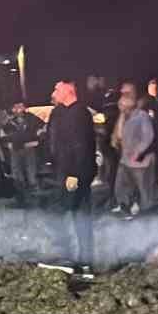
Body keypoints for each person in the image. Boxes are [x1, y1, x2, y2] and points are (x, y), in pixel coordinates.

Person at [48, 79, 96, 275]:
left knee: (62, 212)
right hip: (63, 171)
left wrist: (74, 173)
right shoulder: (59, 112)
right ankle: (84, 263)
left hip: (74, 174)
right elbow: (53, 140)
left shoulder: (80, 113)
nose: (53, 92)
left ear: (68, 90)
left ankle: (68, 259)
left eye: (57, 88)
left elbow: (81, 145)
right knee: (78, 214)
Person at [114, 94, 156, 216]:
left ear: (129, 105)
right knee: (120, 185)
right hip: (126, 159)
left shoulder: (142, 117)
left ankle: (146, 213)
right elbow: (120, 136)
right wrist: (121, 116)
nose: (119, 107)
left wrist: (138, 151)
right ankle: (125, 207)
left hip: (141, 161)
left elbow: (148, 137)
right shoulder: (124, 117)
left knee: (144, 189)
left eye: (121, 105)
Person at [0, 100, 42, 192]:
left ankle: (33, 185)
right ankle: (19, 187)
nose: (18, 109)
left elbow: (42, 128)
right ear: (12, 108)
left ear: (24, 107)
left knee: (31, 166)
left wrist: (36, 140)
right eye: (16, 106)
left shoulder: (32, 118)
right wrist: (8, 144)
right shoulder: (8, 121)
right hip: (15, 148)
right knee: (16, 168)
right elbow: (2, 134)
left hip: (29, 147)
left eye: (20, 106)